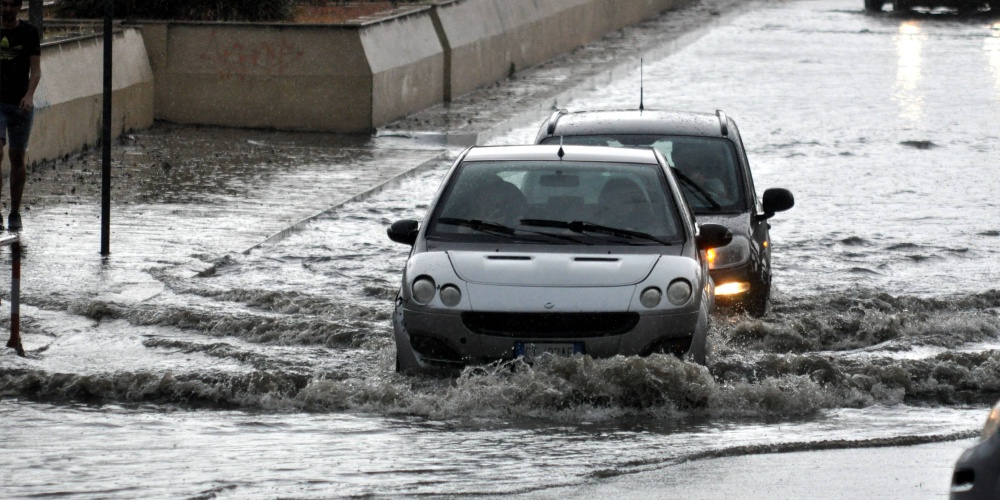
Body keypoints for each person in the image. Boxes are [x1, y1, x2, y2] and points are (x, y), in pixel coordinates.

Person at [0, 0, 41, 232]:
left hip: (20, 104)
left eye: (11, 5)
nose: (7, 9)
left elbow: (35, 70)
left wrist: (29, 95)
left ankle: (14, 212)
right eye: (3, 4)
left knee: (17, 157)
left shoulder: (29, 33)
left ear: (19, 7)